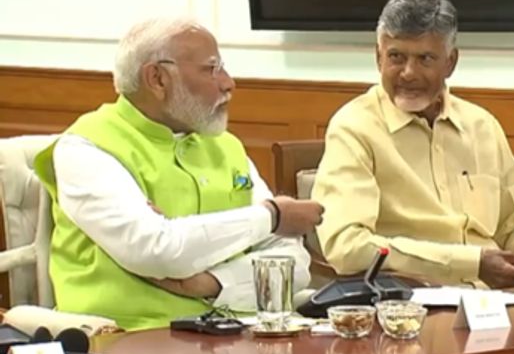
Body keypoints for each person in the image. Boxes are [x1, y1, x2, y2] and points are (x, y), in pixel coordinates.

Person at [33, 18, 324, 330]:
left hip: (234, 333)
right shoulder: (87, 148)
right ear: (157, 78)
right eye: (211, 69)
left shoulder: (224, 145)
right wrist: (271, 216)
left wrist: (213, 283)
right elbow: (157, 251)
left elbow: (292, 263)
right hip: (130, 337)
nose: (228, 83)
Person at [311, 0, 514, 288]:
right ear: (378, 58)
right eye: (396, 57)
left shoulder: (481, 126)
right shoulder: (354, 128)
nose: (408, 73)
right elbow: (347, 247)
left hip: (500, 299)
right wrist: (471, 263)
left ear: (450, 62)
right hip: (413, 303)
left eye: (425, 59)